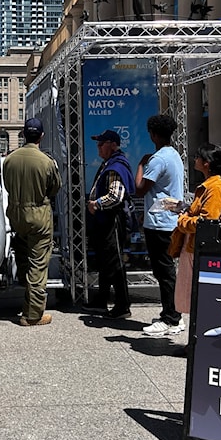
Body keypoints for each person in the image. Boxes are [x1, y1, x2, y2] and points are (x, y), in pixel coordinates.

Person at [168, 142, 221, 357]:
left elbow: (207, 223)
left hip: (198, 249)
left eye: (197, 157)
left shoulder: (215, 188)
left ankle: (198, 345)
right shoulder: (211, 185)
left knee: (198, 298)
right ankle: (196, 343)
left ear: (206, 163)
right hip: (192, 248)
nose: (194, 160)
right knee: (193, 298)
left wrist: (182, 220)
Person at [3, 118, 62, 327]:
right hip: (38, 215)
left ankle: (22, 283)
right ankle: (33, 314)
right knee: (38, 264)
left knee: (22, 251)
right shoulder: (46, 162)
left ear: (23, 135)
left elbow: (6, 184)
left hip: (16, 214)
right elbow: (55, 188)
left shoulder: (9, 160)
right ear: (41, 136)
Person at [134, 115, 186, 337]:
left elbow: (139, 188)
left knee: (164, 272)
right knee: (166, 271)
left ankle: (171, 319)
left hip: (159, 223)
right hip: (170, 220)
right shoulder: (173, 155)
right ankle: (173, 314)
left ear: (153, 134)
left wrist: (140, 164)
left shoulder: (156, 160)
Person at [83, 129, 135, 319]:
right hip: (105, 221)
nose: (98, 148)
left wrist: (96, 204)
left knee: (115, 262)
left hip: (112, 220)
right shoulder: (110, 164)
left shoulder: (116, 166)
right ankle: (101, 301)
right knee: (106, 262)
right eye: (97, 144)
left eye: (102, 144)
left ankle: (122, 305)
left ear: (113, 145)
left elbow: (116, 196)